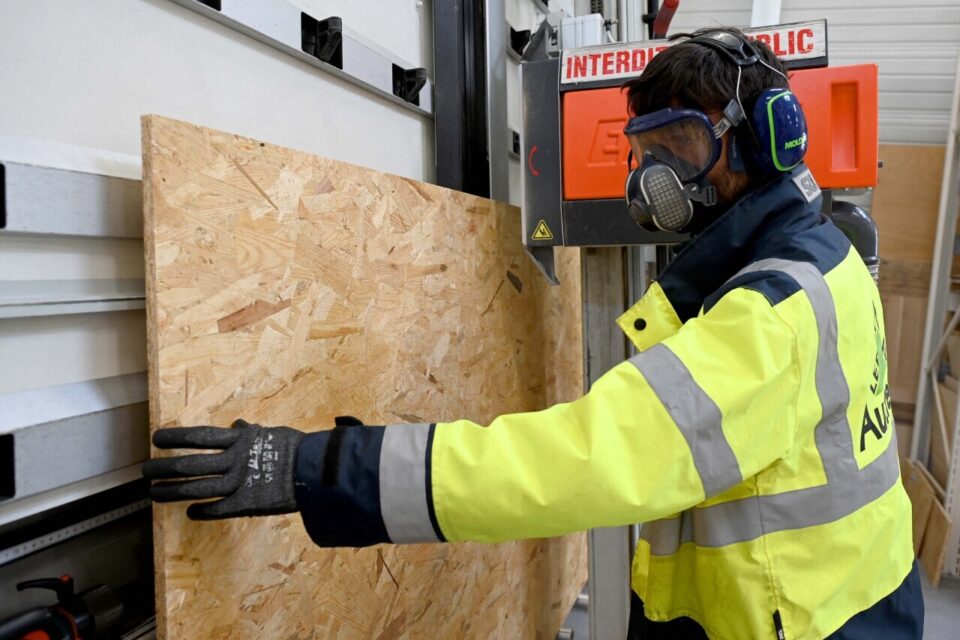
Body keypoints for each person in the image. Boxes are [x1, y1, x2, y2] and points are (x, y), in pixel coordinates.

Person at [143, 28, 923, 639]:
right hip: (833, 603)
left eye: (679, 147)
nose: (653, 179)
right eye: (643, 152)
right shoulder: (821, 255)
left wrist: (322, 468)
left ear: (762, 142)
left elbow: (582, 460)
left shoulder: (771, 314)